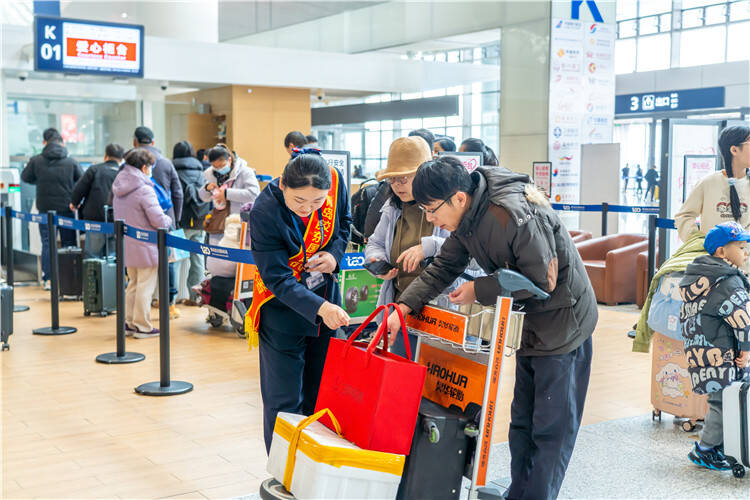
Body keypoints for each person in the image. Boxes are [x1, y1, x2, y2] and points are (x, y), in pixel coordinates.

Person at [385, 156, 597, 499]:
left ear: (457, 197)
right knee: (522, 424)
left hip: (563, 324)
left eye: (431, 209)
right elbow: (443, 267)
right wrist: (402, 307)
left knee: (550, 430)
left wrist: (479, 290)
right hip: (530, 324)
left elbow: (542, 278)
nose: (431, 219)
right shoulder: (469, 217)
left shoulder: (513, 214)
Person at [246, 149, 352, 452]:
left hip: (325, 304)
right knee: (285, 402)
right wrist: (320, 308)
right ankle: (283, 474)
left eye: (318, 202)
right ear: (283, 187)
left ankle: (312, 468)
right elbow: (277, 279)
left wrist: (334, 255)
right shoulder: (265, 211)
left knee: (321, 396)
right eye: (299, 201)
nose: (308, 208)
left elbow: (343, 223)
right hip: (282, 312)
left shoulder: (333, 180)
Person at [364, 137, 449, 357]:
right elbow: (374, 242)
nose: (397, 186)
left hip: (440, 310)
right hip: (401, 307)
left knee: (435, 383)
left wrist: (428, 247)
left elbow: (464, 251)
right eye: (392, 180)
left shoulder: (446, 204)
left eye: (404, 179)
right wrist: (378, 261)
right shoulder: (392, 207)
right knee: (404, 376)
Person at [679, 221, 750, 471]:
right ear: (721, 252)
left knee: (719, 400)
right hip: (723, 352)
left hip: (701, 349)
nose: (746, 252)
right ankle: (705, 450)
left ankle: (718, 444)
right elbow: (744, 320)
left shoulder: (698, 276)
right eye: (741, 247)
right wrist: (746, 351)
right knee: (723, 403)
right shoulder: (728, 281)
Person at [112, 148, 172, 338]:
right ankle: (143, 326)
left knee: (133, 284)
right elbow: (158, 220)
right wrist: (168, 221)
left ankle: (129, 323)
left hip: (127, 245)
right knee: (145, 286)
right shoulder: (144, 189)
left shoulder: (119, 186)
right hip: (146, 246)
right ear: (144, 167)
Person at [21, 127, 83, 289]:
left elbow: (25, 177)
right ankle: (69, 279)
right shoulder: (71, 161)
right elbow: (82, 180)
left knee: (48, 243)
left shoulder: (36, 160)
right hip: (66, 207)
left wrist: (39, 182)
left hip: (45, 208)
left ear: (44, 142)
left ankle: (48, 279)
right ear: (62, 142)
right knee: (68, 243)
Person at [133, 126, 184, 318]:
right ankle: (168, 304)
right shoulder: (165, 162)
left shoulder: (129, 163)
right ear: (153, 142)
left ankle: (140, 311)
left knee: (140, 264)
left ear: (134, 142)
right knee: (168, 261)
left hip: (137, 222)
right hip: (164, 218)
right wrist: (175, 219)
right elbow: (177, 192)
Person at [676, 125, 750, 244]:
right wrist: (699, 243)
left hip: (746, 260)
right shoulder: (708, 183)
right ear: (734, 150)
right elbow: (684, 216)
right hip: (712, 260)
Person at [70, 143, 124, 258]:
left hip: (95, 219)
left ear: (106, 156)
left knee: (93, 256)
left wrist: (74, 203)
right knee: (113, 256)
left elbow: (80, 189)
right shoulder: (123, 173)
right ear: (121, 159)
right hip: (116, 220)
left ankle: (94, 276)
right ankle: (112, 276)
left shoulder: (94, 169)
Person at [173, 140, 211, 306]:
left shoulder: (171, 169)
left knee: (174, 261)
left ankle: (170, 300)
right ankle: (196, 297)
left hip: (180, 222)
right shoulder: (202, 171)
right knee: (197, 260)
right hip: (199, 221)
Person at [199, 146, 261, 226]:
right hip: (218, 223)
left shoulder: (245, 172)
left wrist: (226, 194)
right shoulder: (211, 174)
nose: (219, 169)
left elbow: (254, 195)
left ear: (229, 159)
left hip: (239, 222)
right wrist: (206, 188)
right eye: (215, 167)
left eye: (221, 165)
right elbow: (203, 198)